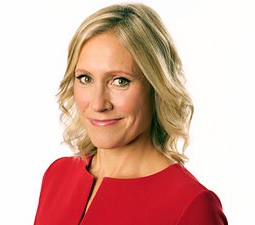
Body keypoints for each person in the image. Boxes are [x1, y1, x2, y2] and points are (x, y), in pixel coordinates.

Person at [34, 3, 228, 225]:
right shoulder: (58, 176)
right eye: (85, 78)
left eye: (120, 81)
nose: (98, 104)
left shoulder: (191, 206)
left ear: (157, 87)